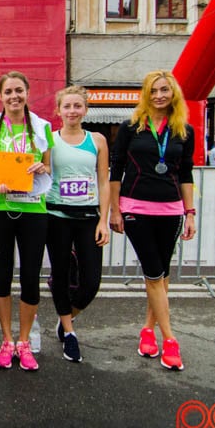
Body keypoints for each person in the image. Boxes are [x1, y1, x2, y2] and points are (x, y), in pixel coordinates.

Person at [109, 71, 196, 372]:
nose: (159, 95)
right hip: (135, 207)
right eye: (154, 90)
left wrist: (190, 212)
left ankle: (148, 329)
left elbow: (185, 173)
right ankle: (170, 340)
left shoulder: (184, 130)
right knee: (154, 273)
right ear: (146, 94)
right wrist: (114, 210)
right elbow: (116, 169)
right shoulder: (131, 127)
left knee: (161, 274)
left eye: (165, 90)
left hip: (171, 210)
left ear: (174, 94)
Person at [0, 72, 53, 372]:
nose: (14, 96)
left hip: (34, 208)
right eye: (8, 91)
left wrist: (41, 166)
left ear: (28, 92)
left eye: (19, 90)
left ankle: (24, 341)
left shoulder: (42, 127)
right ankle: (7, 339)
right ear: (1, 95)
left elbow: (48, 168)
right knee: (2, 274)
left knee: (31, 276)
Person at [45, 86, 110, 363]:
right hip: (56, 216)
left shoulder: (97, 140)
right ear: (58, 111)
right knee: (60, 275)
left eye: (77, 106)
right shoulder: (48, 139)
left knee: (91, 281)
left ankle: (67, 316)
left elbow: (104, 181)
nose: (72, 111)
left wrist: (103, 221)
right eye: (67, 106)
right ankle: (69, 333)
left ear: (85, 109)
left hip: (88, 217)